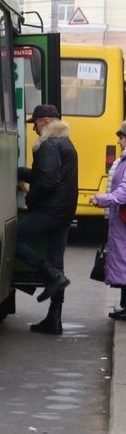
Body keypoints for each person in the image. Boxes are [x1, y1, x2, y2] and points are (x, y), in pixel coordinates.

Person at [16, 104, 78, 334]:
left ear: (46, 121)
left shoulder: (49, 144)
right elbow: (45, 174)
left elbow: (47, 180)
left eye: (35, 123)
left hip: (50, 210)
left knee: (15, 238)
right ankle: (54, 318)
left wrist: (31, 198)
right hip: (64, 211)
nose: (33, 129)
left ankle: (50, 275)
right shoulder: (65, 143)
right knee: (57, 261)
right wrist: (20, 172)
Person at [92, 122, 126, 319]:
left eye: (122, 137)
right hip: (119, 218)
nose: (119, 141)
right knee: (122, 260)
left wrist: (102, 200)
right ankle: (124, 305)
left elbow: (122, 193)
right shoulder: (122, 160)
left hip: (122, 218)